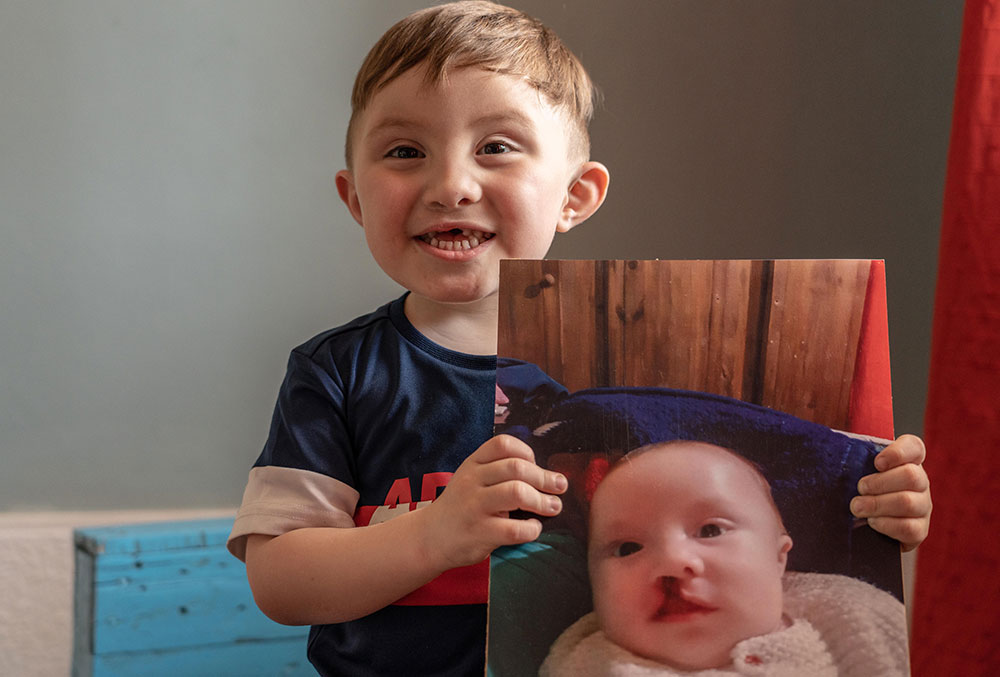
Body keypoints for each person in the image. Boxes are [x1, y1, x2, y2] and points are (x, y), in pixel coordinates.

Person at [225, 2, 931, 675]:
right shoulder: (337, 372)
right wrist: (431, 535)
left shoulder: (589, 407)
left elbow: (734, 521)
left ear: (575, 196)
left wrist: (873, 507)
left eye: (496, 146)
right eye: (406, 150)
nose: (451, 183)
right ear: (354, 197)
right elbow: (279, 579)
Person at [540, 441, 908, 676]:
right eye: (627, 548)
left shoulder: (850, 618)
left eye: (711, 530)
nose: (672, 561)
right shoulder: (589, 665)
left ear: (779, 559)